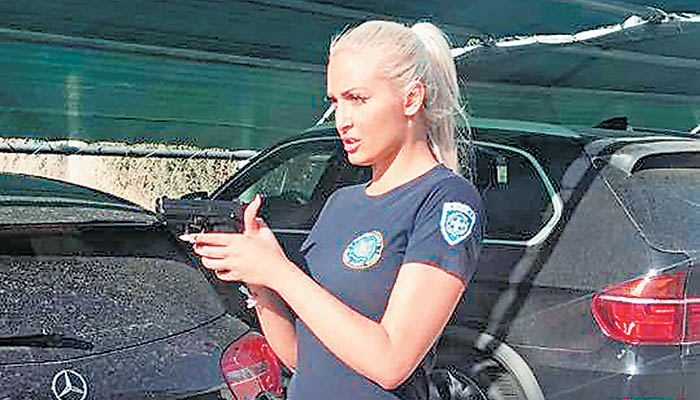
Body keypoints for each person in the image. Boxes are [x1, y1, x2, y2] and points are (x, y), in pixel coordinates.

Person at [181, 20, 483, 400]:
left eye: (357, 99)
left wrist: (280, 272)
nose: (342, 120)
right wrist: (260, 280)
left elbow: (391, 363)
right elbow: (301, 359)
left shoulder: (445, 200)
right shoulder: (342, 202)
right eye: (335, 102)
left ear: (411, 99)